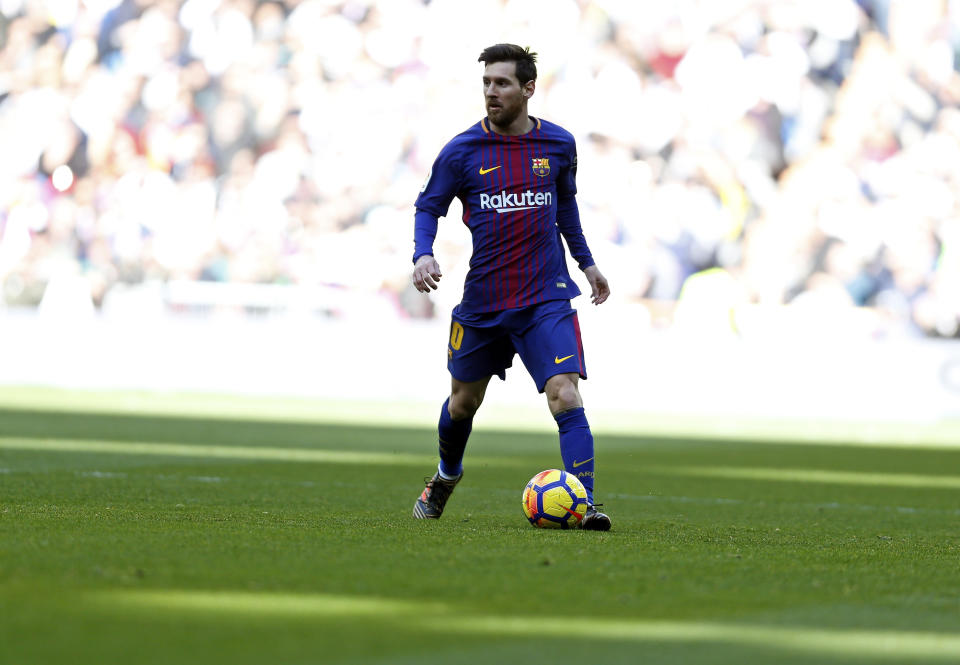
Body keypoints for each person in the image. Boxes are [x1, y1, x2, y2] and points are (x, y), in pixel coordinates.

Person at [410, 44, 612, 530]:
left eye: (501, 83)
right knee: (463, 404)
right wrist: (423, 253)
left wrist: (587, 264)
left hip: (546, 297)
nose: (491, 92)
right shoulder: (462, 151)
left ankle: (584, 504)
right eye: (486, 83)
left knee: (565, 393)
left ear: (528, 88)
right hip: (484, 302)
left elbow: (566, 211)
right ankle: (445, 476)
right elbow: (428, 207)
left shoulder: (559, 146)